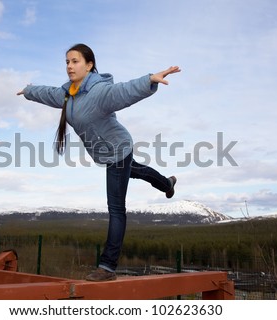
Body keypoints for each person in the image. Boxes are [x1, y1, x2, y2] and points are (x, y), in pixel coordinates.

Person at [17, 43, 180, 281]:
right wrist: (29, 90)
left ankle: (107, 267)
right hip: (107, 153)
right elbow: (47, 93)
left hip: (117, 150)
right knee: (136, 170)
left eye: (75, 61)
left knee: (116, 209)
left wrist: (149, 80)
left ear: (89, 65)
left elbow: (123, 92)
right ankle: (167, 183)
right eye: (67, 62)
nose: (70, 66)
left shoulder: (99, 92)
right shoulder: (68, 93)